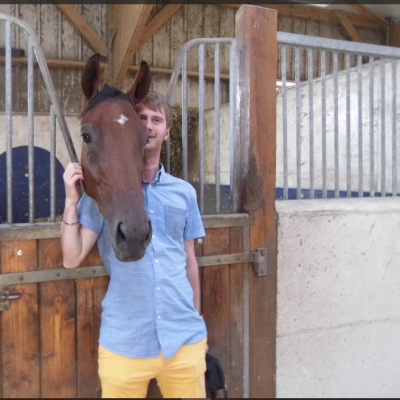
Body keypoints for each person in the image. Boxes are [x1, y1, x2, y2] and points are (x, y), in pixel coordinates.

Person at [61, 91, 208, 398]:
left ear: (167, 132)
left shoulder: (184, 193)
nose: (150, 126)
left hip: (184, 340)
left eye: (157, 120)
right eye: (143, 118)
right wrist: (71, 201)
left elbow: (190, 261)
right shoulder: (102, 194)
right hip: (125, 342)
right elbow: (71, 257)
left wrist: (197, 325)